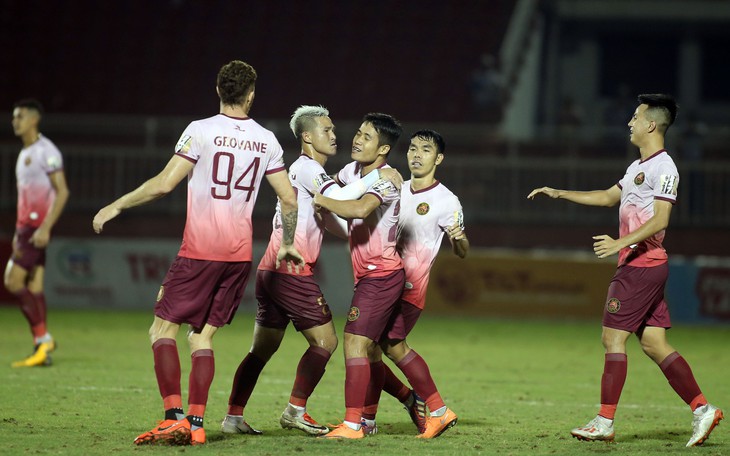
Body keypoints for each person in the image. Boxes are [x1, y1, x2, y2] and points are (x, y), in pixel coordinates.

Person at [92, 60, 304, 446]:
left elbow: (163, 184)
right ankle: (196, 424)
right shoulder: (267, 140)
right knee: (201, 338)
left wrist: (117, 205)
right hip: (238, 255)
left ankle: (174, 416)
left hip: (200, 251)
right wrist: (288, 242)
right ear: (251, 94)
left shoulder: (201, 131)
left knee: (161, 329)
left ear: (218, 90)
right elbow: (289, 198)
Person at [527, 93, 723, 447]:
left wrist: (620, 243)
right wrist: (560, 192)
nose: (629, 122)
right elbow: (606, 196)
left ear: (651, 124)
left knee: (612, 338)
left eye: (635, 117)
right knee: (653, 343)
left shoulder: (665, 168)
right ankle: (702, 409)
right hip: (643, 265)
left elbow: (661, 219)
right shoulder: (637, 167)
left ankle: (604, 422)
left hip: (640, 266)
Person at [221, 105, 402, 436]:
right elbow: (343, 196)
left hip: (270, 270)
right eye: (326, 130)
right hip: (292, 271)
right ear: (307, 136)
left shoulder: (307, 173)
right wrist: (380, 175)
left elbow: (331, 220)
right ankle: (295, 410)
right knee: (327, 342)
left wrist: (368, 235)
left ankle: (233, 416)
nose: (334, 135)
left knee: (261, 350)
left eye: (333, 130)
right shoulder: (308, 169)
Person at [363, 129, 469, 438]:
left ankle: (435, 408)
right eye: (412, 148)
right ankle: (390, 409)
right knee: (369, 348)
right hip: (382, 279)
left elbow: (462, 251)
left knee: (389, 346)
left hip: (409, 287)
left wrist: (458, 239)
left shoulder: (446, 200)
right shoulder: (395, 188)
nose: (416, 154)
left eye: (425, 149)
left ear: (438, 158)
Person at [312, 113, 405, 439]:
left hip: (381, 274)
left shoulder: (388, 180)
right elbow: (345, 215)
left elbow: (359, 210)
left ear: (383, 149)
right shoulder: (350, 172)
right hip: (369, 274)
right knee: (377, 350)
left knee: (354, 342)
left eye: (366, 137)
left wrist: (320, 199)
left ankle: (352, 424)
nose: (357, 139)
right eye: (359, 133)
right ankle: (375, 416)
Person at [5, 99, 70, 368]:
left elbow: (62, 191)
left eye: (19, 116)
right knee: (34, 286)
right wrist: (17, 231)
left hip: (35, 229)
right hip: (26, 228)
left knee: (12, 281)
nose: (14, 121)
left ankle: (42, 338)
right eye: (13, 117)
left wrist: (45, 228)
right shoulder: (24, 153)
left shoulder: (47, 151)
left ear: (33, 119)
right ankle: (41, 345)